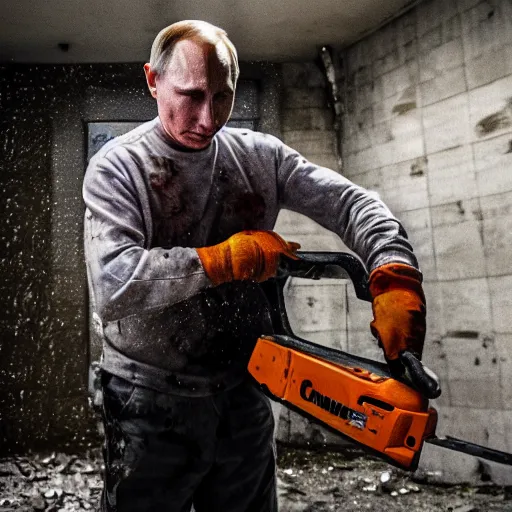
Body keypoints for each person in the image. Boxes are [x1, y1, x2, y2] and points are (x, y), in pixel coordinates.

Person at [83, 19, 436, 512]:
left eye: (222, 96)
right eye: (191, 95)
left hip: (242, 389)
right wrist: (225, 260)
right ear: (152, 80)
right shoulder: (118, 167)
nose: (208, 118)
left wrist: (393, 270)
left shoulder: (260, 157)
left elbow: (354, 205)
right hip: (147, 399)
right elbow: (113, 282)